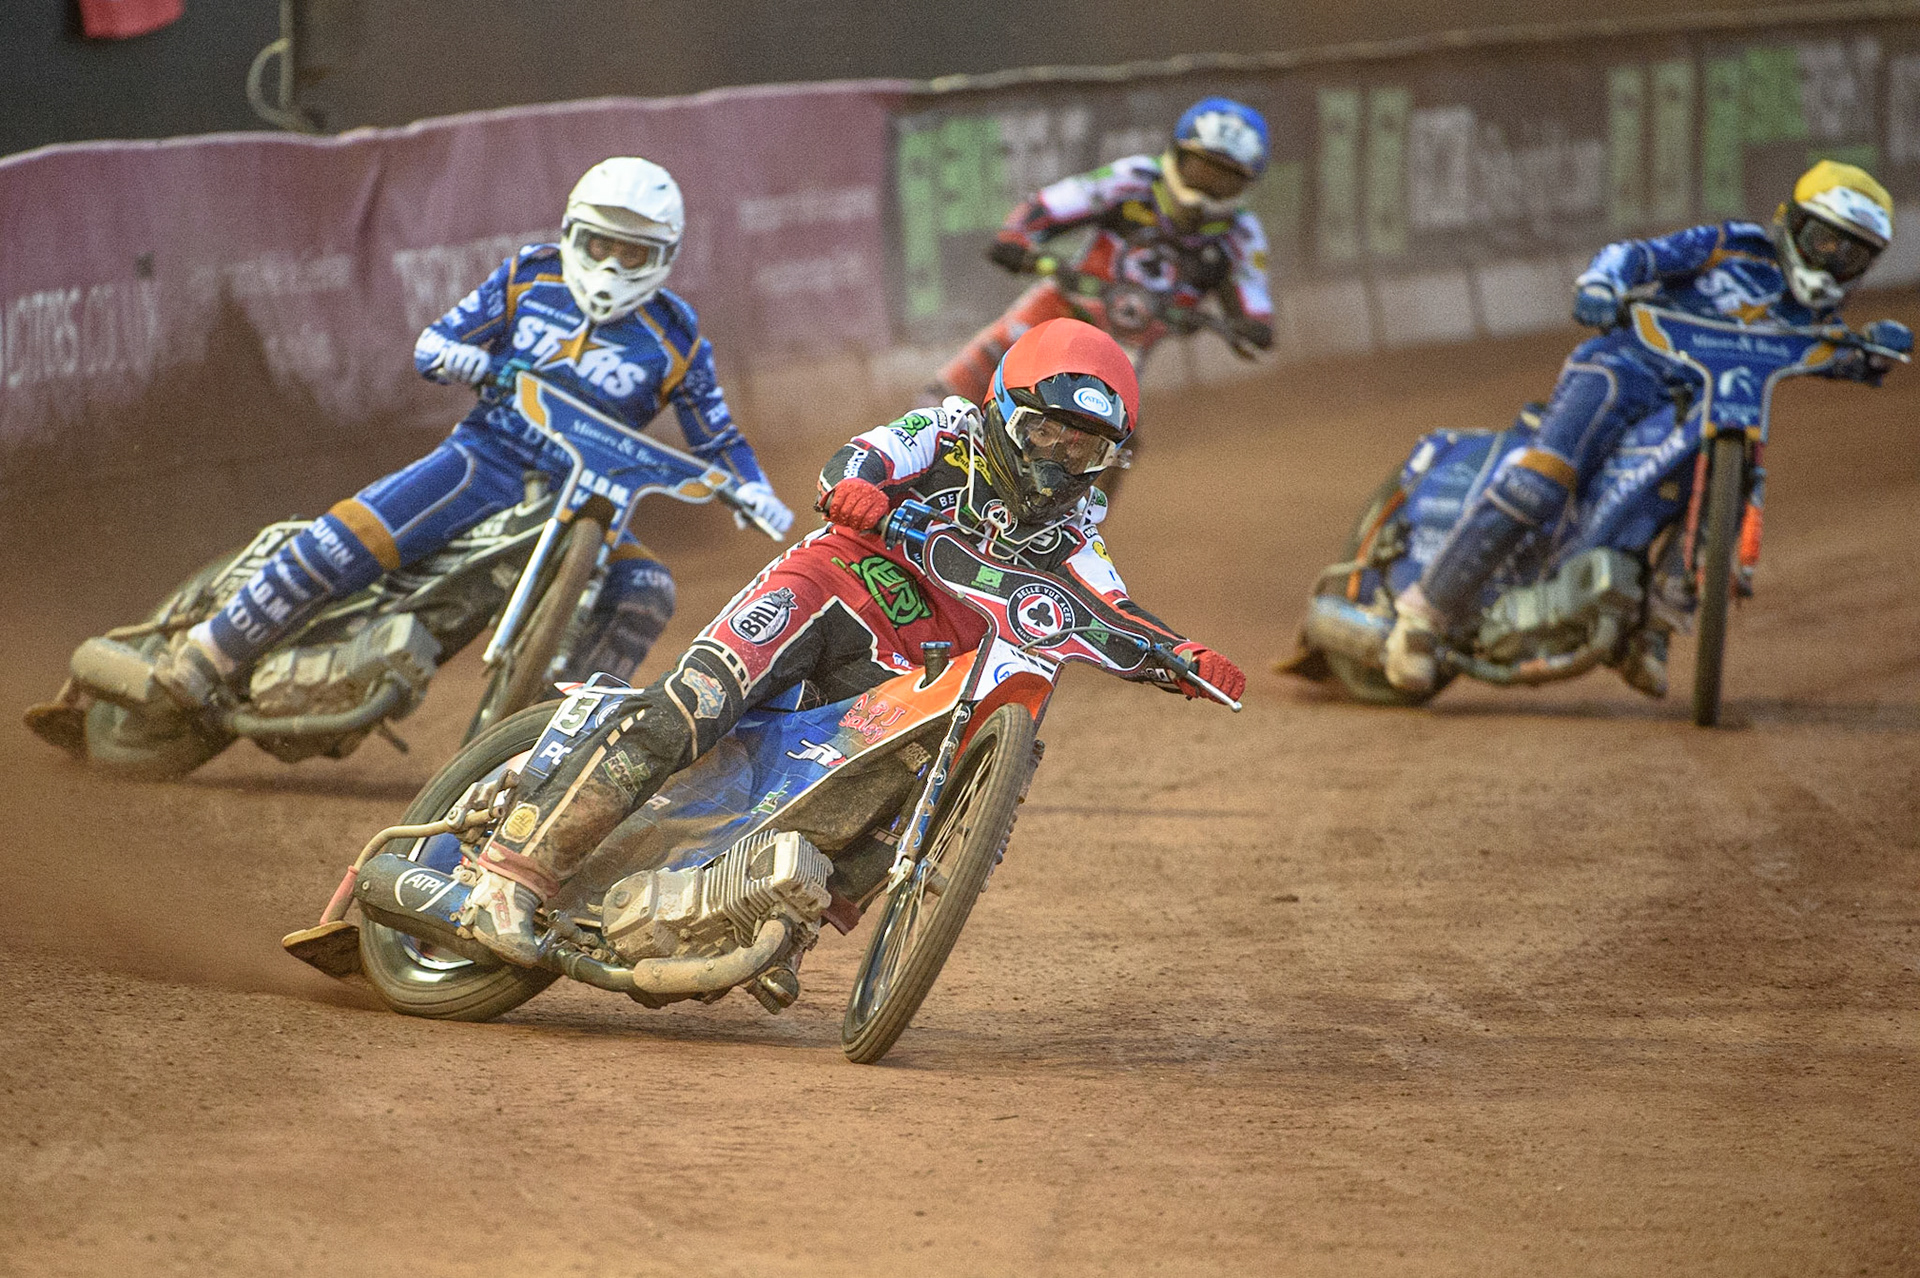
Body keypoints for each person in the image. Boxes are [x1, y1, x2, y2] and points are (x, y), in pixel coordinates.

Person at [456, 318, 1248, 964]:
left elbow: (1115, 610)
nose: (1062, 457)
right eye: (1048, 431)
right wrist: (860, 494)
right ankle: (510, 876)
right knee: (696, 703)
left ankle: (774, 918)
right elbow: (855, 460)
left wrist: (1181, 656)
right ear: (1006, 412)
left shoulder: (1079, 535)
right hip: (830, 585)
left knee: (904, 795)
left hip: (907, 664)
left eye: (1085, 446)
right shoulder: (944, 432)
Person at [152, 157, 794, 710]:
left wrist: (754, 488)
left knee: (647, 590)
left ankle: (556, 736)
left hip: (592, 493)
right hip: (490, 456)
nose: (611, 265)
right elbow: (437, 341)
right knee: (360, 531)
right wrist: (464, 358)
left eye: (632, 253)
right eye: (600, 245)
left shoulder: (677, 338)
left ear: (664, 258)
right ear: (573, 234)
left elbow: (717, 435)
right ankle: (214, 648)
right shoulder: (528, 276)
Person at [1382, 160, 1912, 695]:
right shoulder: (1737, 245)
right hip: (1624, 366)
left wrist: (1873, 351)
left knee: (1716, 493)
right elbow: (1638, 255)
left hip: (1702, 409)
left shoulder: (1816, 322)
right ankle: (1422, 617)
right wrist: (1603, 281)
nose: (1834, 261)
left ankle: (1654, 628)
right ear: (1792, 223)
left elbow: (1842, 357)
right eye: (1825, 242)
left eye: (1853, 254)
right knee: (1543, 479)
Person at [933, 96, 1277, 411]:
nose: (1210, 186)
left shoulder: (1243, 234)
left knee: (1114, 428)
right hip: (1065, 302)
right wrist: (1016, 238)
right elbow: (1056, 202)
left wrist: (1250, 326)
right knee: (962, 380)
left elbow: (1255, 303)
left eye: (1225, 179)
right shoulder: (1135, 179)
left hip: (1128, 342)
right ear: (1178, 155)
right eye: (1203, 170)